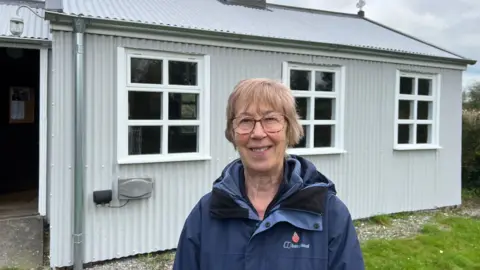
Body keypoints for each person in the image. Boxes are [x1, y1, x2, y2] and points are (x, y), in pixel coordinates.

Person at [172, 78, 365, 270]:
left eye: (270, 119)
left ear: (289, 128)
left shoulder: (329, 214)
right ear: (233, 132)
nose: (257, 133)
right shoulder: (206, 214)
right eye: (245, 121)